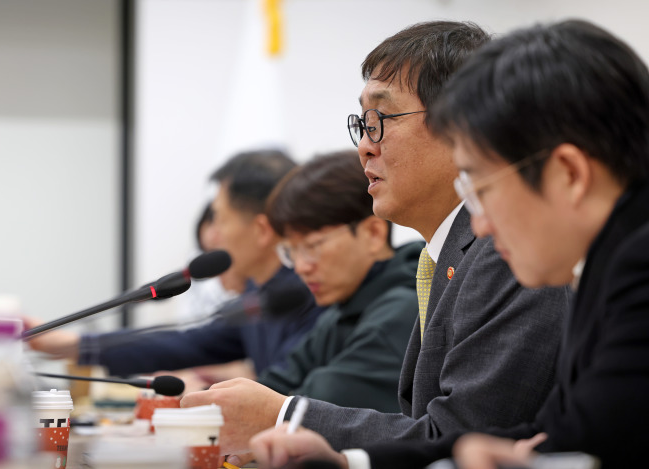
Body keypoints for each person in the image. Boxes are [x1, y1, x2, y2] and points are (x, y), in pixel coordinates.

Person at [251, 19, 649, 469]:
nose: (479, 223)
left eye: (482, 186)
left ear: (569, 174)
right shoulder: (603, 266)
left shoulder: (634, 267)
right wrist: (350, 463)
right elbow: (561, 436)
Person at [180, 20, 570, 463]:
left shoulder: (505, 254)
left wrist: (281, 416)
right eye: (362, 125)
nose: (364, 146)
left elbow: (462, 437)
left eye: (379, 120)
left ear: (462, 125)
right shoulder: (446, 257)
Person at [25, 149, 324, 379]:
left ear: (261, 230)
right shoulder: (259, 294)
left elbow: (285, 393)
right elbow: (187, 343)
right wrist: (70, 344)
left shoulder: (312, 294)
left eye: (220, 219)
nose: (212, 235)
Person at [254, 149, 421, 412]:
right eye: (290, 251)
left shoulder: (404, 310)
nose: (301, 267)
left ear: (374, 233)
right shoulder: (339, 313)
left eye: (312, 246)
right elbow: (274, 385)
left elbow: (319, 404)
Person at [176, 201, 248, 324]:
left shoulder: (246, 264)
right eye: (210, 223)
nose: (214, 233)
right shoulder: (196, 263)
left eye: (222, 222)